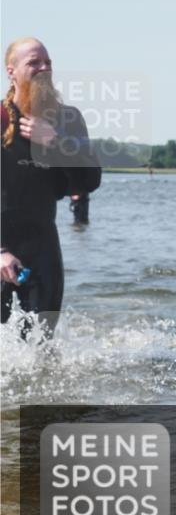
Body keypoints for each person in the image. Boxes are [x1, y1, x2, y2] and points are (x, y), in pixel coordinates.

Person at [1, 37, 102, 338]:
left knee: (42, 344)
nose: (44, 68)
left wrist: (55, 142)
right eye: (34, 62)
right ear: (11, 71)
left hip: (43, 244)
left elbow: (90, 181)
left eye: (48, 62)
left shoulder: (68, 120)